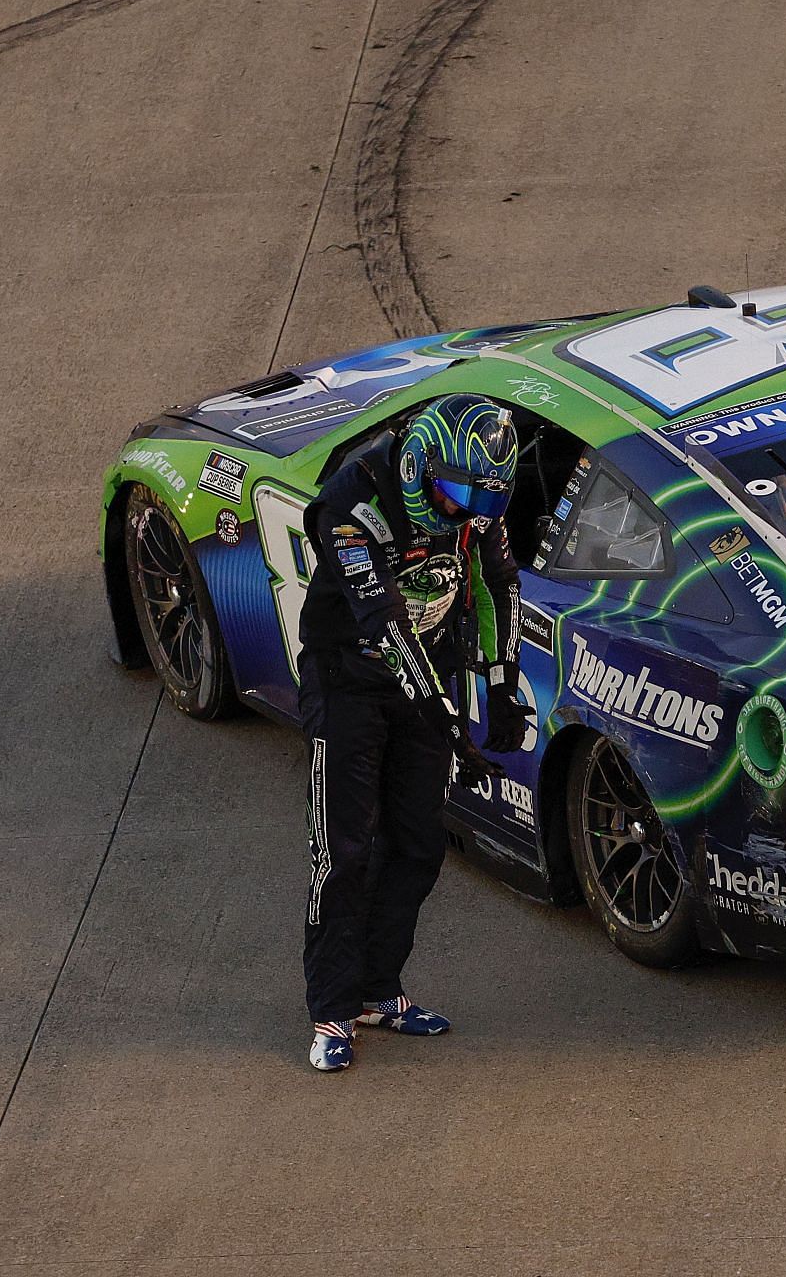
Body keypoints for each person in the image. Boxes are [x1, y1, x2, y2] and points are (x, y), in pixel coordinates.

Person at [295, 393, 533, 1071]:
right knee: (340, 851)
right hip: (349, 681)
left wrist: (500, 682)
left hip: (426, 679)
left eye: (486, 497)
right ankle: (332, 1011)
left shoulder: (477, 505)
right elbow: (383, 619)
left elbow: (497, 583)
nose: (469, 510)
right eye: (457, 492)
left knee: (421, 843)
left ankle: (377, 990)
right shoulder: (354, 499)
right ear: (422, 467)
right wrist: (445, 717)